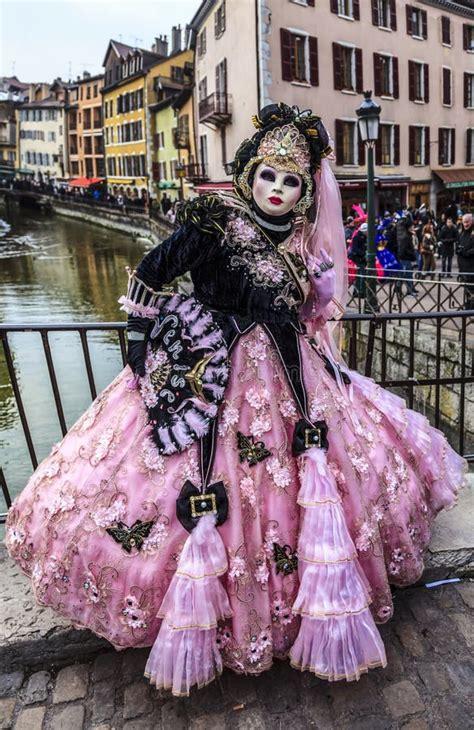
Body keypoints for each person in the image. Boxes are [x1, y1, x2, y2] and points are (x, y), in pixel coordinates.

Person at [5, 104, 466, 697]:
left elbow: (301, 313)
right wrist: (147, 342)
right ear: (248, 174)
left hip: (292, 377)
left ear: (304, 191)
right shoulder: (212, 221)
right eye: (267, 175)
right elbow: (150, 272)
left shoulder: (299, 241)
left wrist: (317, 291)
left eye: (291, 180)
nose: (276, 189)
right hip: (210, 372)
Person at [396, 218, 418, 295]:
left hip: (406, 258)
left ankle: (399, 288)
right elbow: (404, 249)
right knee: (407, 275)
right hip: (405, 258)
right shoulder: (405, 237)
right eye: (412, 226)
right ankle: (409, 290)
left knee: (405, 274)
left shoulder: (407, 235)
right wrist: (411, 254)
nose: (413, 227)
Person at [457, 212, 474, 309]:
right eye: (464, 222)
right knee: (467, 289)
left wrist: (466, 252)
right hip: (463, 268)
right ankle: (468, 305)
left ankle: (471, 308)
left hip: (472, 267)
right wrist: (458, 250)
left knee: (472, 289)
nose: (465, 224)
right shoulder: (462, 233)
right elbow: (459, 244)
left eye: (467, 222)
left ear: (471, 221)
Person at [348, 222, 367, 297]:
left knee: (360, 276)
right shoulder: (357, 237)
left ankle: (358, 291)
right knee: (361, 276)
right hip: (359, 259)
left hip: (362, 259)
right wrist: (364, 254)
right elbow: (355, 249)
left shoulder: (364, 237)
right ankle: (360, 292)